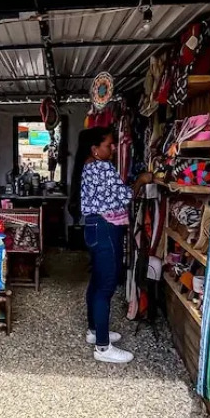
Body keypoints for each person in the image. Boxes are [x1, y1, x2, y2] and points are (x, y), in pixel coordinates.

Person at [70, 127, 134, 365]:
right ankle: (103, 347)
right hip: (106, 228)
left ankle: (95, 331)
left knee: (97, 281)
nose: (113, 147)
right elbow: (124, 196)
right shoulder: (103, 167)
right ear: (95, 150)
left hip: (94, 227)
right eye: (109, 144)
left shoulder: (87, 166)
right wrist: (142, 181)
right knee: (106, 285)